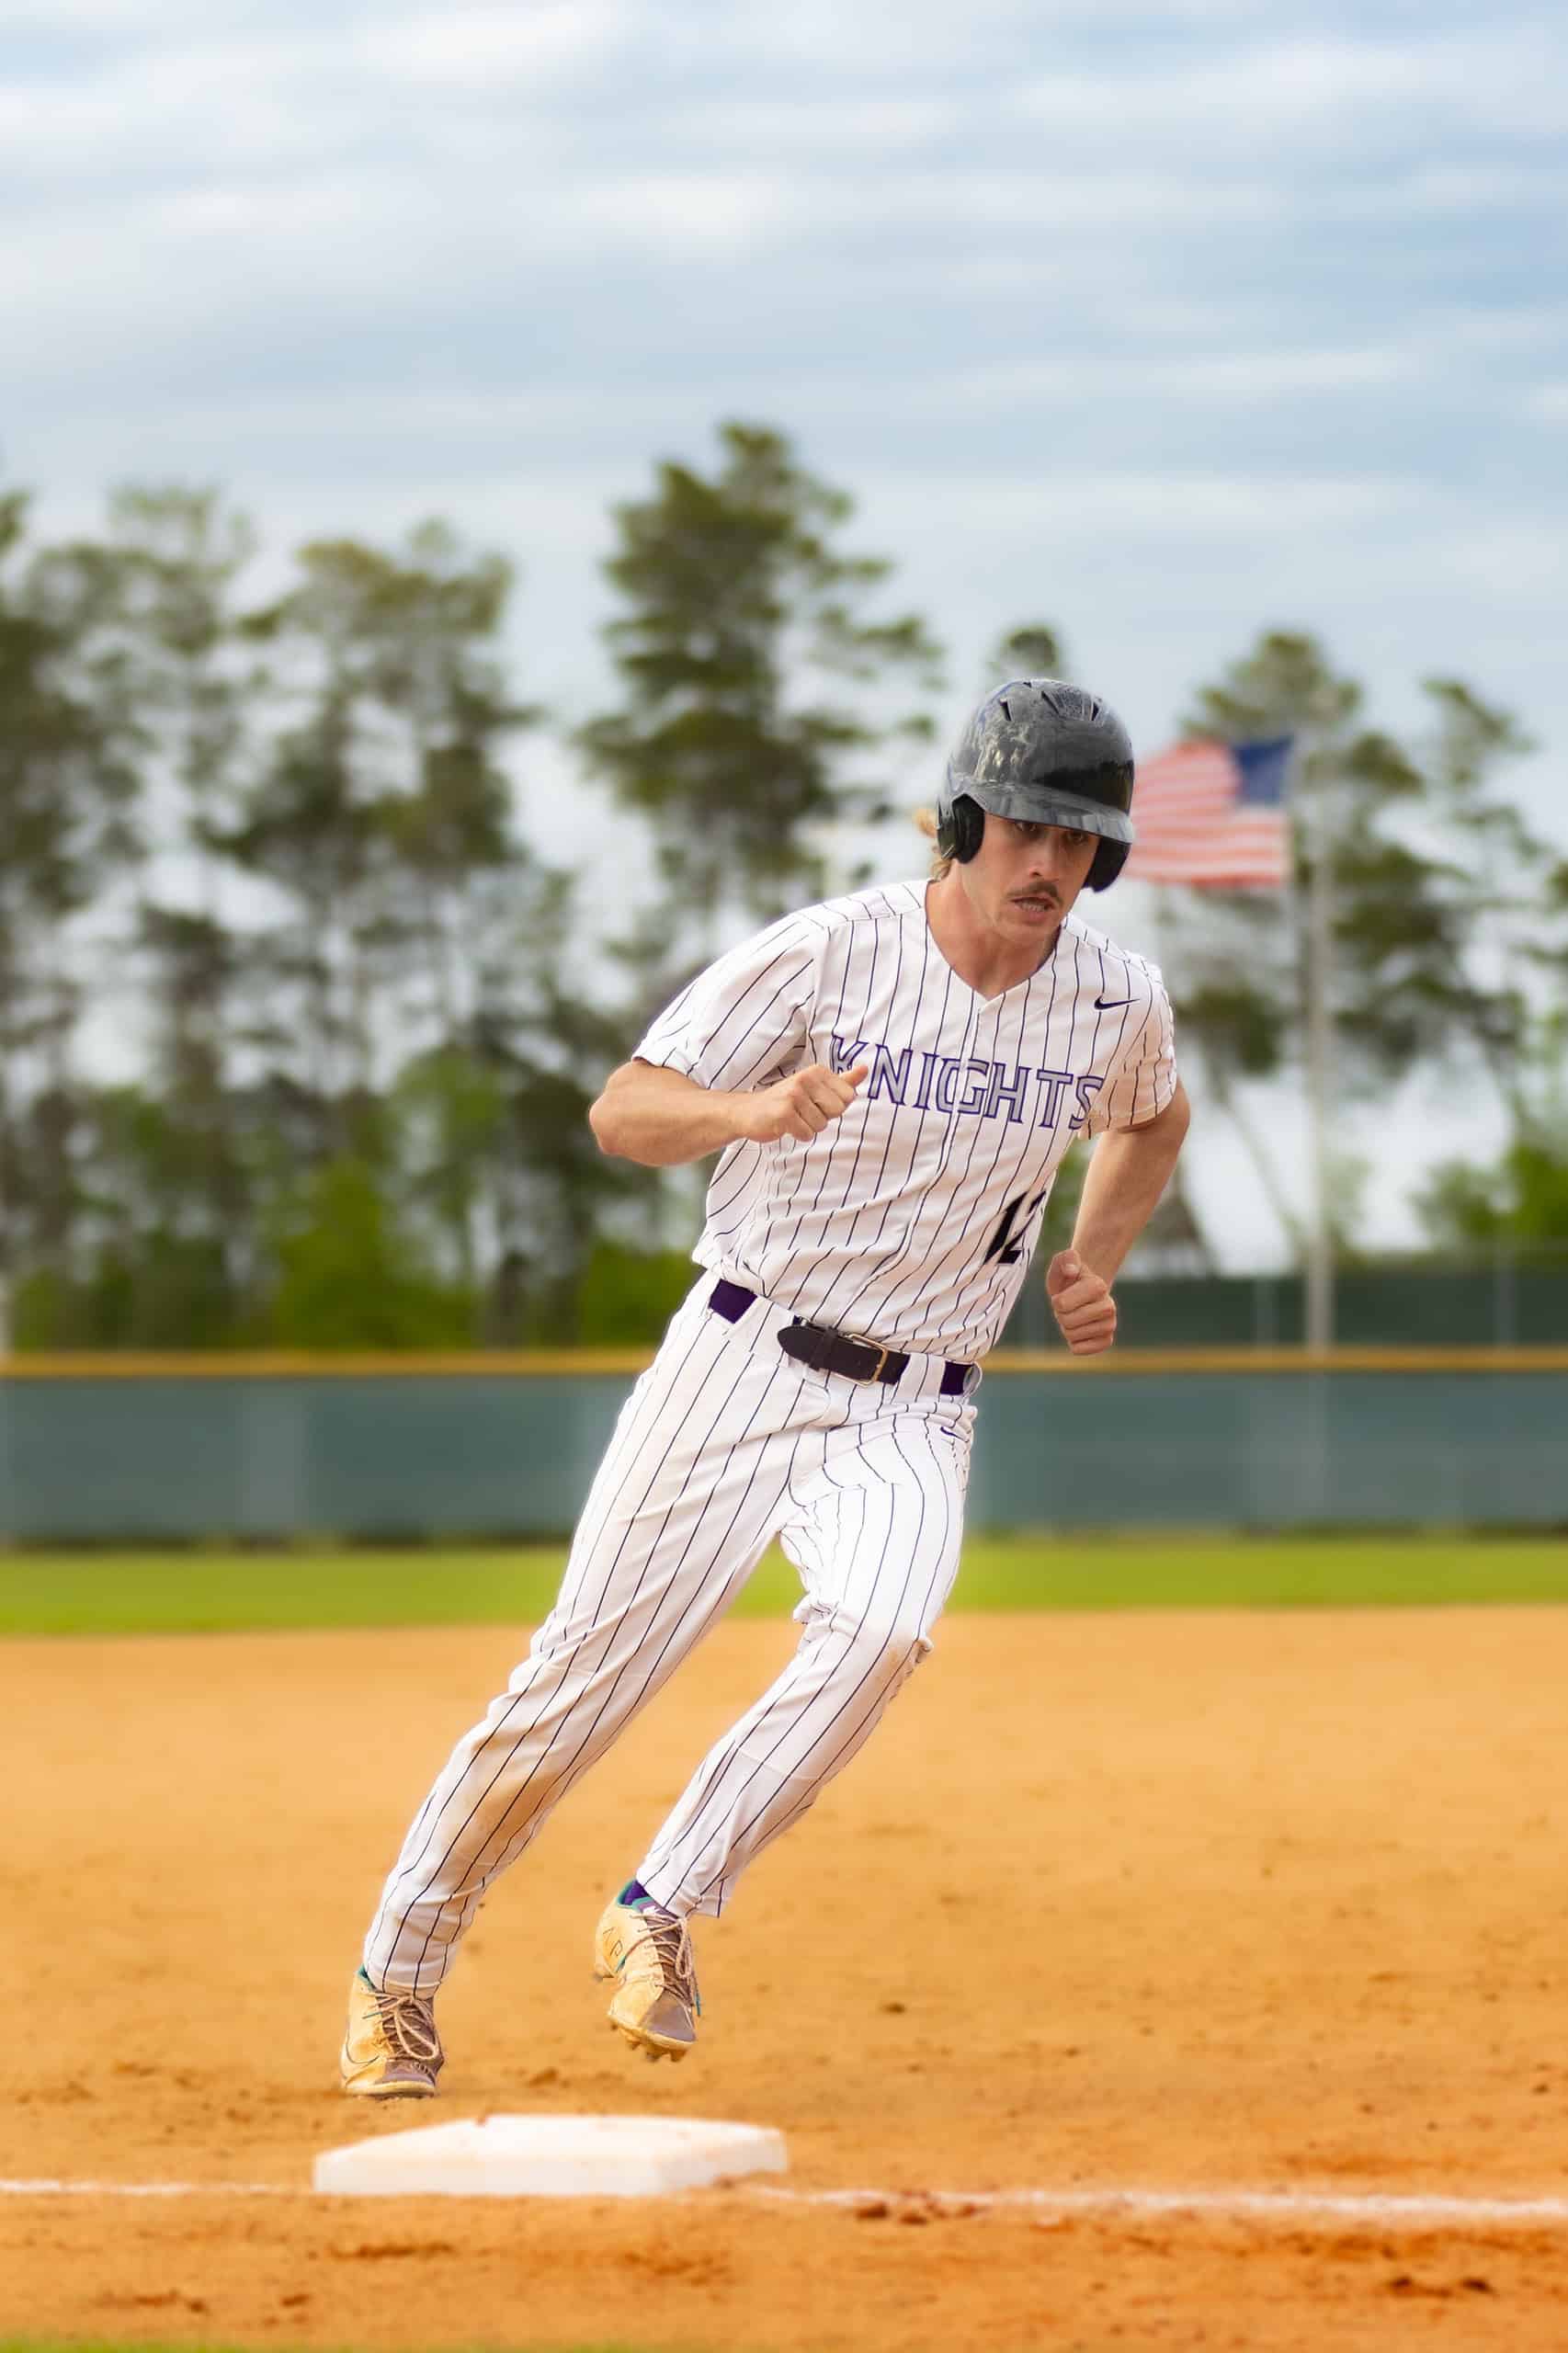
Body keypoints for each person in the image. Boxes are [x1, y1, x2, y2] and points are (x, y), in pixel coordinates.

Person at [341, 678, 1190, 2097]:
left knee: (882, 1629)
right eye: (1027, 827)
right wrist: (748, 1109)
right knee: (575, 1693)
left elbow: (1152, 1115)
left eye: (1079, 841)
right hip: (739, 1360)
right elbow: (623, 1110)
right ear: (966, 821)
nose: (1048, 864)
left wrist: (1092, 1255)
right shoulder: (829, 955)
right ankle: (400, 1969)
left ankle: (658, 1907)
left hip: (920, 1395)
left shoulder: (1113, 995)